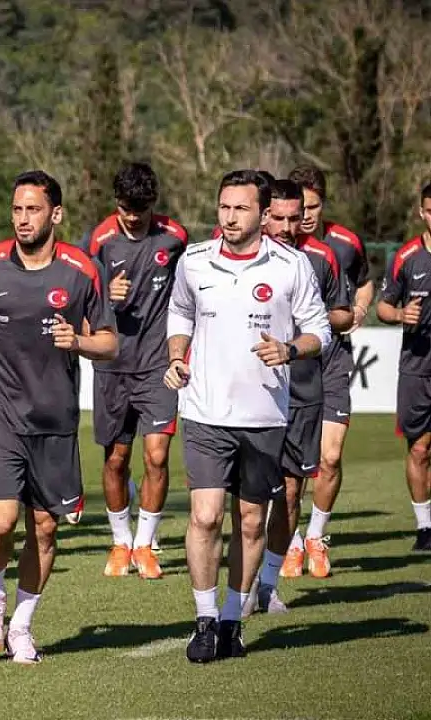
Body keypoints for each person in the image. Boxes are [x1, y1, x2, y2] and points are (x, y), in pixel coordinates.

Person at [166, 169, 331, 663]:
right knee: (205, 515)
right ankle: (204, 621)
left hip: (264, 415)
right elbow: (180, 313)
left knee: (252, 521)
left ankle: (233, 620)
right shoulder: (194, 260)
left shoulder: (291, 265)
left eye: (241, 208)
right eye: (224, 207)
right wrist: (177, 356)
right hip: (205, 410)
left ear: (263, 213)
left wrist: (290, 349)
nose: (230, 217)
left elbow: (319, 330)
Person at [0, 170, 116, 663]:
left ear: (56, 214)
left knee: (45, 527)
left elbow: (110, 343)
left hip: (54, 420)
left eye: (33, 210)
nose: (23, 219)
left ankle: (22, 625)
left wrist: (79, 341)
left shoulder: (82, 270)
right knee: (1, 520)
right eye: (17, 209)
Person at [80, 162, 188, 579]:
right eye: (125, 208)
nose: (131, 217)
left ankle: (144, 545)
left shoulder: (175, 237)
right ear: (116, 203)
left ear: (152, 204)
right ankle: (120, 542)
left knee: (157, 455)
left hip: (158, 365)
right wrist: (105, 295)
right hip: (113, 365)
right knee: (116, 460)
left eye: (139, 209)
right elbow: (77, 300)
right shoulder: (99, 240)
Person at [248, 179, 351, 614]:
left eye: (296, 218)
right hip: (251, 390)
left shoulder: (321, 257)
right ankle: (242, 582)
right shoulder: (237, 255)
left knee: (290, 492)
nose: (289, 227)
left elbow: (341, 314)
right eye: (280, 218)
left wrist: (309, 321)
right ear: (263, 215)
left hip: (303, 388)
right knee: (249, 497)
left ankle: (268, 584)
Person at [284, 165, 370, 576]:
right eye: (300, 207)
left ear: (323, 204)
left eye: (313, 207)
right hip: (291, 367)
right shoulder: (278, 247)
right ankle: (291, 542)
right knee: (290, 471)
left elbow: (364, 282)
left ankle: (317, 538)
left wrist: (359, 310)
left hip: (333, 360)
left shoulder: (343, 245)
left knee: (330, 457)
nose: (306, 216)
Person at [376, 182, 431, 551]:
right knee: (419, 449)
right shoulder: (407, 257)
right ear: (422, 212)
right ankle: (425, 528)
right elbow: (383, 305)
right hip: (417, 366)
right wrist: (399, 314)